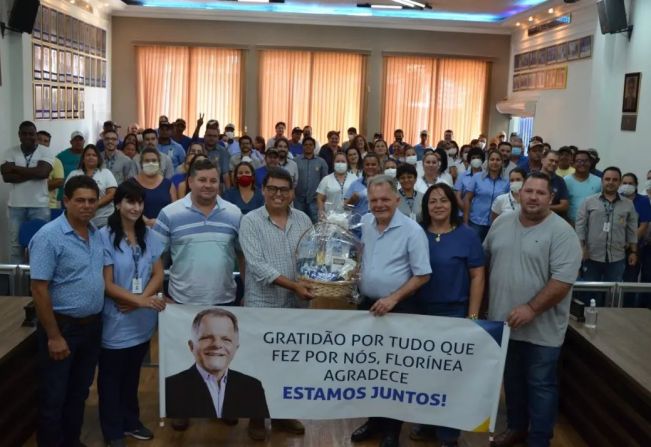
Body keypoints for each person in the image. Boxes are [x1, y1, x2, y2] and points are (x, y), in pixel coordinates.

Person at [484, 172, 582, 447]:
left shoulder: (563, 233)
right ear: (518, 194)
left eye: (541, 193)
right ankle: (516, 427)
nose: (533, 197)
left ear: (551, 198)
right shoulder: (501, 223)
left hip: (542, 329)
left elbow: (562, 282)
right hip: (503, 323)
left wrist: (531, 308)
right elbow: (486, 263)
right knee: (512, 382)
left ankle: (539, 439)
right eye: (529, 191)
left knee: (540, 385)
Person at [350, 175, 431, 447]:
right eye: (374, 200)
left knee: (394, 372)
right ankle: (374, 421)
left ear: (397, 199)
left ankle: (391, 431)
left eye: (385, 199)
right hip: (368, 306)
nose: (379, 205)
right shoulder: (366, 224)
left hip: (399, 307)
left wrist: (394, 298)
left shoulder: (412, 230)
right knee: (370, 369)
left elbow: (422, 276)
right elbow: (363, 256)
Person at [29, 175, 104, 447]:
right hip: (63, 328)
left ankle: (71, 441)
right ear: (66, 201)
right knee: (54, 396)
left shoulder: (95, 233)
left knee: (79, 392)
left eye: (92, 201)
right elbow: (39, 289)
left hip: (92, 327)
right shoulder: (49, 237)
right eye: (80, 200)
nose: (86, 206)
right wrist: (54, 335)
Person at [239, 167, 313, 441]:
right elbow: (257, 266)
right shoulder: (250, 221)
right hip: (263, 305)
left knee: (288, 362)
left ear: (292, 192)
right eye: (272, 189)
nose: (278, 194)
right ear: (263, 190)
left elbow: (311, 257)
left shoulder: (304, 219)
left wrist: (314, 278)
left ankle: (281, 414)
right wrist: (294, 285)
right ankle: (256, 416)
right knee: (259, 363)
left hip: (296, 306)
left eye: (284, 189)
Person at [409, 183, 485, 447]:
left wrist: (472, 316)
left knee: (450, 376)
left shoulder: (468, 235)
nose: (438, 205)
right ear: (425, 206)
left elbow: (477, 276)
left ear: (453, 204)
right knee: (424, 373)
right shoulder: (417, 234)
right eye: (432, 201)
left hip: (453, 312)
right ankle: (427, 422)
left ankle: (448, 434)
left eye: (443, 200)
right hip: (419, 312)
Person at [98, 181, 166, 447]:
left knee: (132, 374)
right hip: (115, 317)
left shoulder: (149, 235)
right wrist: (139, 300)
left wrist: (140, 301)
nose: (135, 207)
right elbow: (107, 284)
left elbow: (158, 273)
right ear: (118, 204)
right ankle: (112, 429)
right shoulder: (104, 236)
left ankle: (131, 421)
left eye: (139, 202)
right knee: (110, 377)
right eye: (130, 201)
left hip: (140, 318)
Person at [153, 157, 243, 306]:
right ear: (190, 182)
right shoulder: (169, 213)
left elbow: (242, 256)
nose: (208, 185)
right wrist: (160, 294)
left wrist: (245, 293)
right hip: (180, 302)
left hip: (225, 300)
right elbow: (156, 258)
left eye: (213, 181)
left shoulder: (234, 213)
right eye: (202, 180)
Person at [166, 308, 269, 420]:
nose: (217, 345)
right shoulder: (170, 386)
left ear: (236, 348)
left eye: (226, 339)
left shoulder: (253, 387)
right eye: (207, 338)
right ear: (191, 346)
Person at [575, 167, 638, 305]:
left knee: (613, 293)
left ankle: (610, 321)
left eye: (615, 180)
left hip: (617, 257)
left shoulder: (628, 204)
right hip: (591, 256)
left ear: (620, 182)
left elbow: (632, 229)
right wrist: (582, 248)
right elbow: (580, 227)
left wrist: (633, 251)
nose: (611, 182)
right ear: (602, 181)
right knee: (590, 294)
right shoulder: (589, 201)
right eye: (607, 179)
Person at [1, 121, 54, 263]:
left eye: (31, 134)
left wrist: (15, 168)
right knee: (15, 246)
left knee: (41, 245)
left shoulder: (45, 151)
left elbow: (43, 173)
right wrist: (34, 172)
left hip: (40, 206)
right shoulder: (10, 152)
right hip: (16, 206)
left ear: (35, 135)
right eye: (24, 133)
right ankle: (17, 283)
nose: (27, 136)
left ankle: (38, 280)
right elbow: (7, 177)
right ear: (19, 135)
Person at [66, 144, 117, 228]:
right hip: (78, 221)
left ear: (98, 158)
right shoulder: (74, 174)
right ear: (83, 158)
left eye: (94, 155)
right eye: (88, 155)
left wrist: (94, 205)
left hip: (103, 221)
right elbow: (67, 195)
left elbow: (112, 194)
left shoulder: (106, 173)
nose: (91, 157)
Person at [619, 173, 651, 306]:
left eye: (630, 183)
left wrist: (629, 242)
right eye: (624, 182)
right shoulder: (617, 199)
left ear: (636, 185)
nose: (627, 186)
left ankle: (628, 308)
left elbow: (644, 225)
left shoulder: (642, 200)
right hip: (615, 246)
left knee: (630, 279)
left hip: (634, 247)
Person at [464, 149, 509, 241]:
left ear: (502, 162)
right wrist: (465, 220)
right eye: (492, 159)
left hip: (497, 223)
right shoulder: (477, 177)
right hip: (476, 222)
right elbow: (467, 198)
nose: (495, 162)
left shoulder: (507, 181)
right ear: (487, 162)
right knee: (474, 249)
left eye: (498, 160)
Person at [132, 148, 177, 227]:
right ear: (141, 164)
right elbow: (127, 207)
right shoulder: (131, 183)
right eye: (147, 161)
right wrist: (145, 221)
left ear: (159, 163)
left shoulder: (168, 184)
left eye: (154, 161)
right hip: (137, 227)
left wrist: (158, 222)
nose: (151, 163)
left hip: (163, 228)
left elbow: (174, 210)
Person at [294, 137, 328, 222]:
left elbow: (325, 181)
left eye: (310, 145)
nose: (308, 146)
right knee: (299, 223)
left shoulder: (321, 162)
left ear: (314, 146)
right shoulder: (295, 161)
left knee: (316, 224)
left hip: (315, 200)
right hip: (298, 200)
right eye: (306, 145)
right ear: (302, 146)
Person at [564, 150, 602, 225]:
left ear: (590, 163)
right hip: (570, 222)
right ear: (573, 163)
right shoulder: (566, 181)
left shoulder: (599, 181)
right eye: (578, 161)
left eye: (585, 161)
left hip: (592, 224)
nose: (582, 163)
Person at [316, 151, 357, 218]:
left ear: (347, 163)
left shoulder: (354, 179)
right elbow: (320, 198)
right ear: (333, 163)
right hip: (330, 218)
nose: (340, 163)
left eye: (343, 161)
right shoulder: (326, 179)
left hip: (350, 218)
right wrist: (321, 211)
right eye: (337, 161)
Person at [344, 153, 382, 217]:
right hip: (359, 224)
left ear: (378, 166)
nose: (370, 167)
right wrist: (352, 200)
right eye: (367, 164)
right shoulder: (355, 184)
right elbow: (346, 207)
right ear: (363, 167)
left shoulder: (385, 184)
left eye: (373, 164)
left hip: (379, 223)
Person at [540, 150, 569, 217]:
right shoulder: (530, 178)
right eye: (551, 160)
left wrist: (543, 208)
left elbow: (564, 206)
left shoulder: (560, 181)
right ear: (542, 160)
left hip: (553, 219)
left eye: (556, 162)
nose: (554, 164)